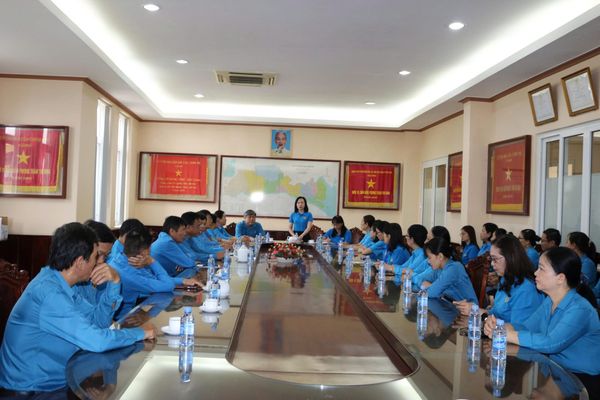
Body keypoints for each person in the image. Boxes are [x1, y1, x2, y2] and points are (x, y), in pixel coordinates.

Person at [0, 222, 154, 392]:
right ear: (80, 262)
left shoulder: (63, 284)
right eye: (96, 257)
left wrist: (115, 282)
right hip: (33, 391)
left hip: (58, 381)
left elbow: (98, 323)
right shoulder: (49, 294)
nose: (101, 262)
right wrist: (140, 333)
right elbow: (97, 341)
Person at [484, 247, 600, 376]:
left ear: (560, 278)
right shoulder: (549, 301)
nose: (535, 273)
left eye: (541, 269)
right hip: (555, 370)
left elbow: (551, 343)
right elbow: (526, 327)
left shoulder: (580, 309)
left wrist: (503, 334)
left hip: (581, 378)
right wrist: (499, 327)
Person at [112, 228, 201, 318]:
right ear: (143, 252)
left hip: (136, 308)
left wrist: (183, 281)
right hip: (124, 317)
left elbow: (154, 279)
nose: (150, 251)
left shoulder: (123, 259)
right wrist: (152, 261)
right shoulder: (130, 274)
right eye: (149, 248)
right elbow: (168, 285)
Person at [455, 235, 543, 324]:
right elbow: (496, 313)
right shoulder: (505, 279)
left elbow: (517, 329)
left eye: (495, 259)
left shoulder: (526, 289)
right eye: (491, 259)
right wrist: (474, 309)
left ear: (510, 257)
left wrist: (482, 315)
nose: (492, 264)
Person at [422, 237, 478, 303]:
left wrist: (432, 287)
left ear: (440, 256)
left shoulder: (453, 268)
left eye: (429, 258)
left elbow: (431, 292)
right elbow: (422, 280)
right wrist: (433, 287)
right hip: (451, 305)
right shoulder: (439, 268)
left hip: (469, 308)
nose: (428, 261)